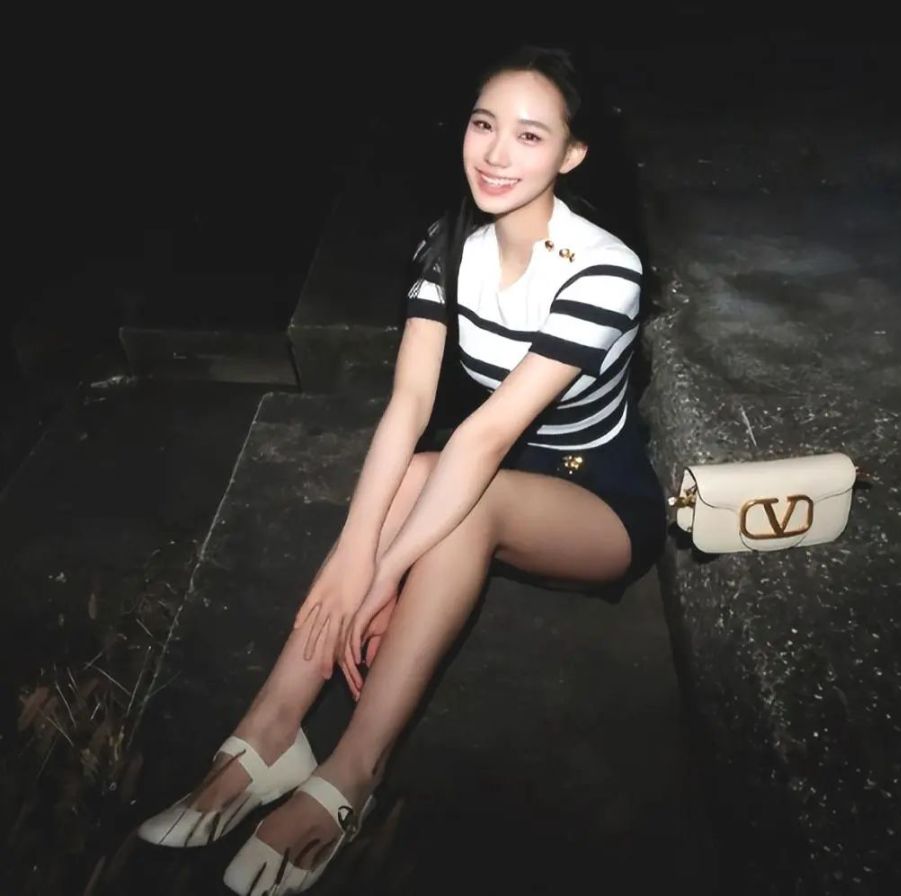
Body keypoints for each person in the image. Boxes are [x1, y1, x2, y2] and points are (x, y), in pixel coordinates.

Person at [136, 43, 667, 893]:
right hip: (497, 462)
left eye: (530, 136)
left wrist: (382, 573)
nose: (496, 153)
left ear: (571, 155)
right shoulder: (448, 241)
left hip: (596, 498)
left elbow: (485, 437)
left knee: (463, 494)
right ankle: (270, 729)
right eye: (484, 125)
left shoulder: (605, 270)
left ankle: (356, 768)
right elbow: (411, 403)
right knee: (424, 472)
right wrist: (352, 558)